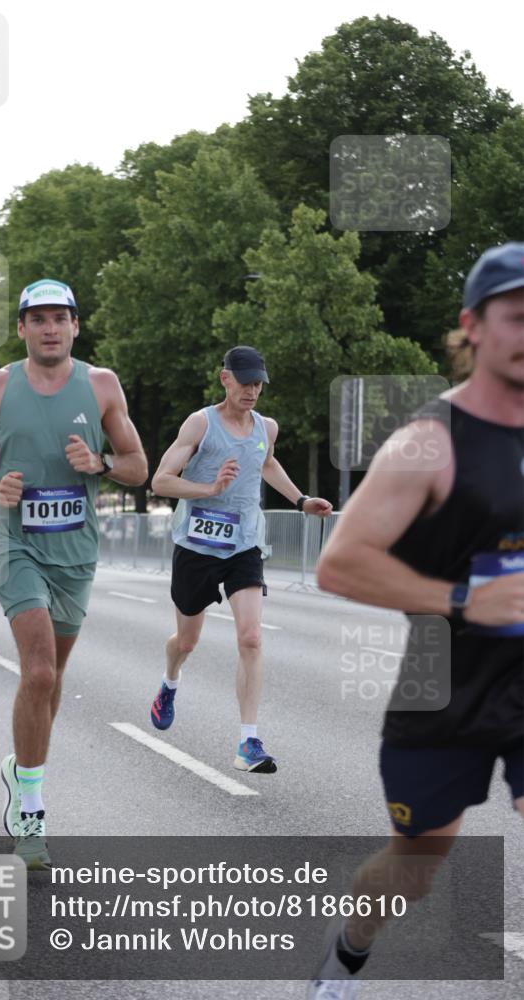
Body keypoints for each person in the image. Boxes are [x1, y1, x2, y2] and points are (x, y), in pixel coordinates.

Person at [309, 242, 524, 998]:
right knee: (415, 868)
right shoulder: (429, 443)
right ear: (472, 327)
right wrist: (463, 600)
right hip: (448, 685)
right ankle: (345, 957)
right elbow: (338, 563)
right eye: (517, 318)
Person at [0, 278, 147, 869]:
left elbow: (139, 466)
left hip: (76, 552)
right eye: (38, 319)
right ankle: (31, 809)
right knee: (36, 671)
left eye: (60, 318)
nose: (50, 328)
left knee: (52, 680)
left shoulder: (102, 384)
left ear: (76, 326)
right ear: (22, 329)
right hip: (17, 544)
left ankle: (21, 767)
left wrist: (102, 463)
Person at [150, 346, 332, 772]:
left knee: (251, 637)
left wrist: (301, 499)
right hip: (196, 546)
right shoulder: (201, 423)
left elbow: (266, 463)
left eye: (258, 383)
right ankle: (169, 681)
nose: (252, 390)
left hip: (244, 545)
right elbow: (160, 480)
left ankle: (248, 742)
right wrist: (209, 490)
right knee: (187, 641)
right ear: (224, 379)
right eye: (244, 381)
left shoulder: (266, 427)